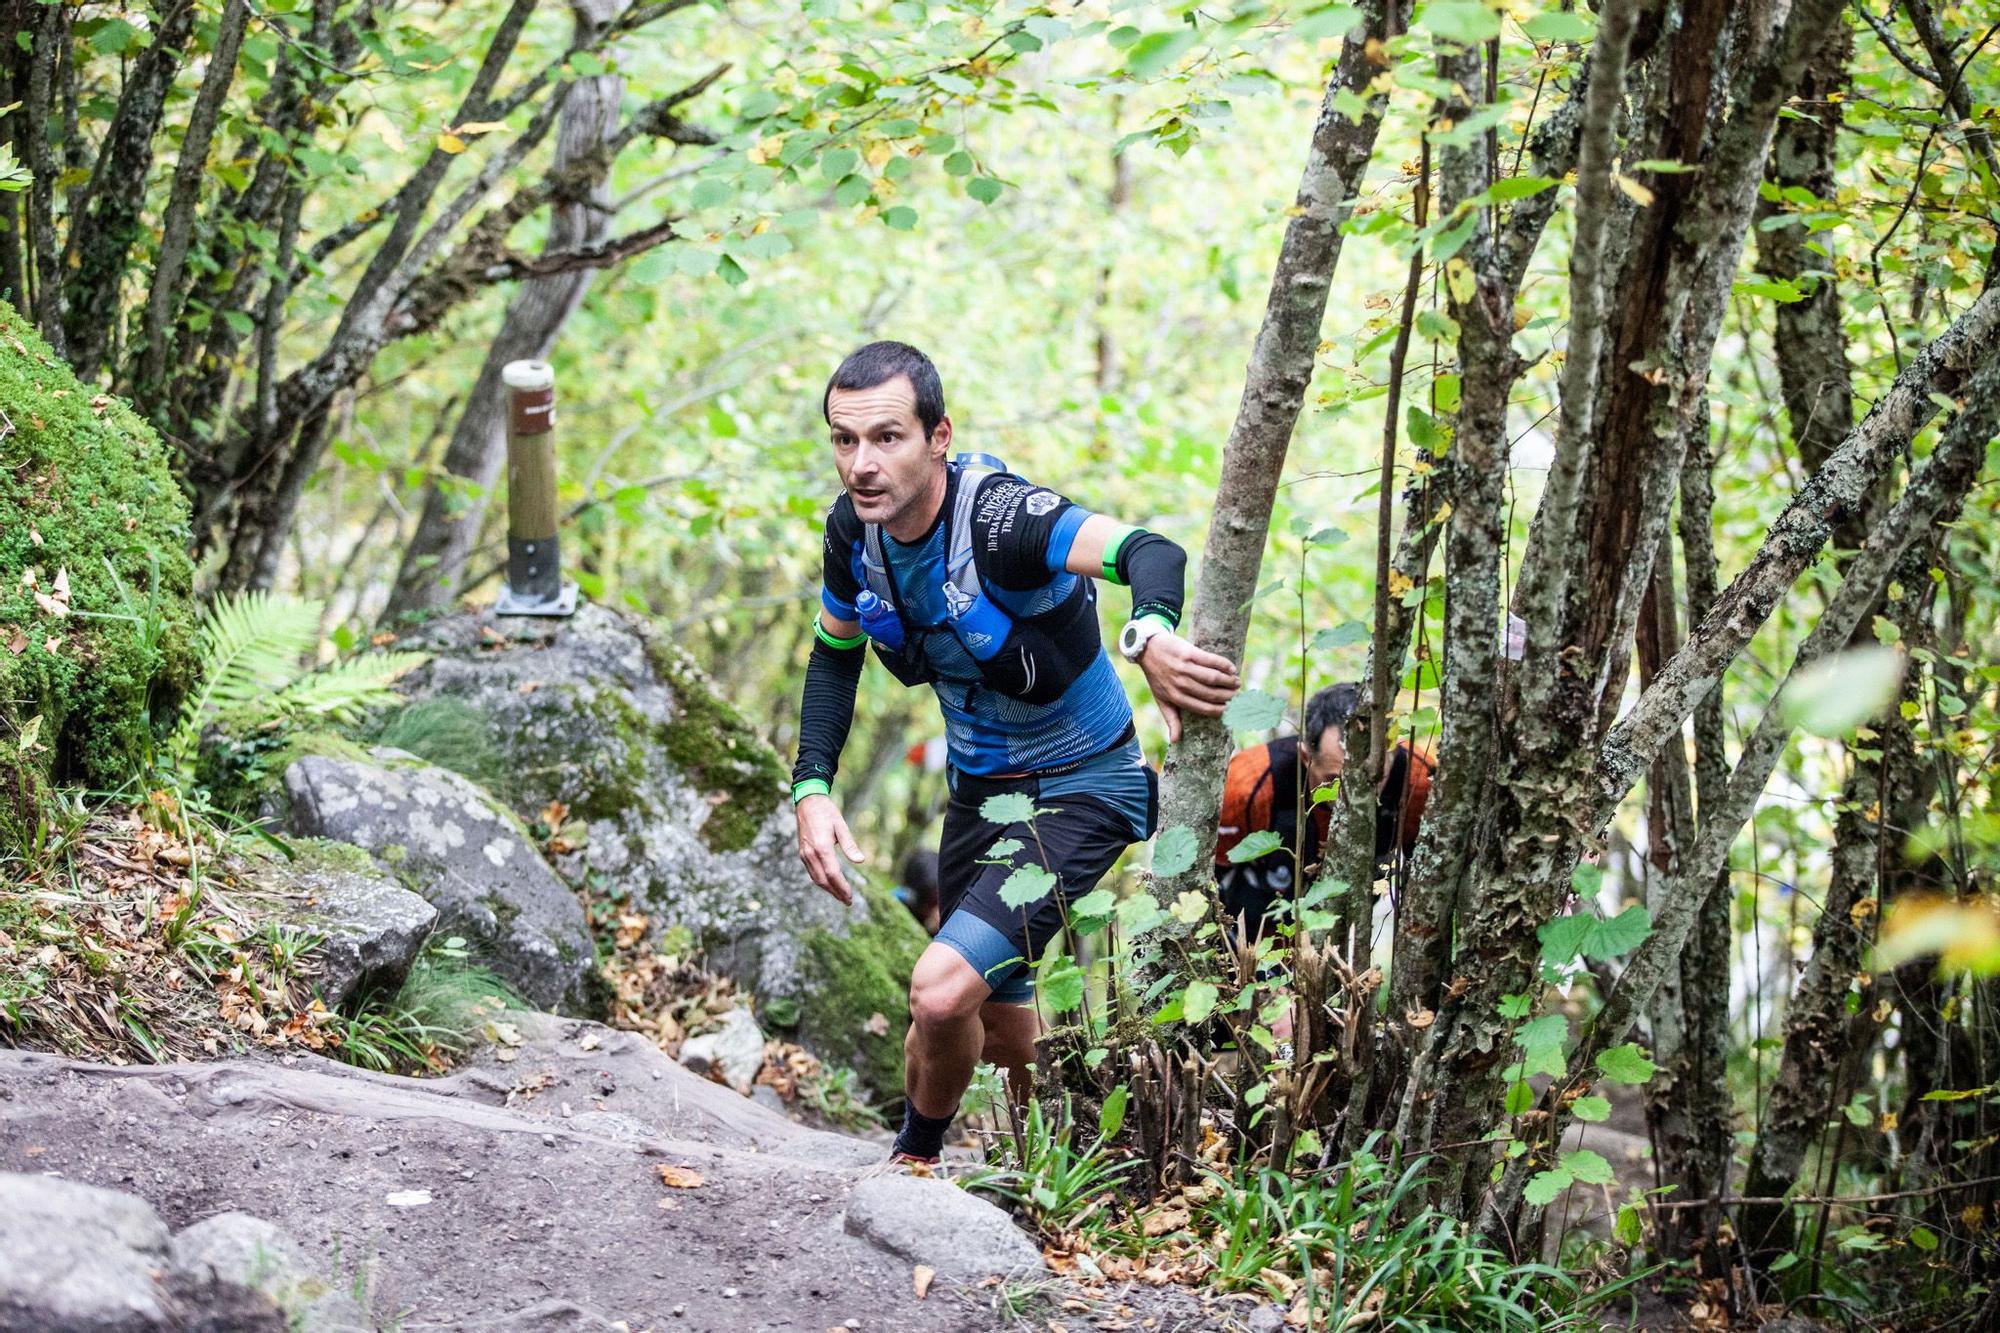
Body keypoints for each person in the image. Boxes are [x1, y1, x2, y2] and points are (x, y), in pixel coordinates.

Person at [790, 341, 1239, 1165]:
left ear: (939, 437)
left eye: (887, 437)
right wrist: (812, 786)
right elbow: (834, 654)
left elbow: (1151, 552)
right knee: (995, 1022)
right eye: (844, 440)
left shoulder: (1004, 520)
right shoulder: (855, 533)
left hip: (1086, 783)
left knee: (936, 988)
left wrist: (1152, 636)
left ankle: (914, 1161)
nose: (861, 464)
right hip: (981, 792)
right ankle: (1078, 1160)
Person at [1214, 682, 1434, 942]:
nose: (1355, 795)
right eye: (1335, 780)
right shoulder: (1246, 787)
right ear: (1306, 757)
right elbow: (1207, 878)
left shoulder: (1421, 783)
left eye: (1373, 777)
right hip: (1256, 927)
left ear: (1391, 753)